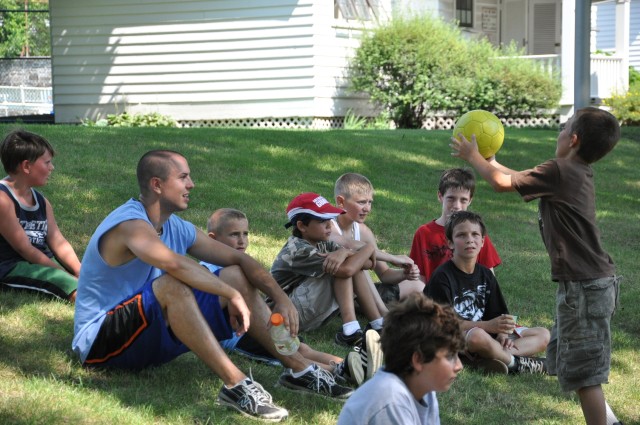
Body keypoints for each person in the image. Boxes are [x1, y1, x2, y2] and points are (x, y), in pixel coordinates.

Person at [72, 151, 353, 423]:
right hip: (101, 342)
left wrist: (280, 298)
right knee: (173, 284)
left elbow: (238, 258)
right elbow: (176, 266)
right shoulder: (130, 224)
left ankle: (299, 370)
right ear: (157, 185)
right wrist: (229, 294)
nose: (191, 184)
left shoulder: (176, 226)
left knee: (235, 274)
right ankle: (236, 385)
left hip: (146, 335)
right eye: (183, 177)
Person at [450, 107, 622, 425]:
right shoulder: (571, 171)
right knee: (574, 362)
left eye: (563, 127)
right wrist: (487, 159)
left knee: (584, 373)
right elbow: (512, 178)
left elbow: (502, 184)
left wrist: (473, 157)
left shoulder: (560, 171)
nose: (558, 132)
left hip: (585, 287)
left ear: (572, 139)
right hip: (586, 285)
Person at [202, 207, 365, 383]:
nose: (242, 241)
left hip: (261, 324)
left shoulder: (242, 264)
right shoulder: (210, 271)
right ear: (213, 239)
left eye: (245, 234)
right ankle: (339, 371)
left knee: (302, 347)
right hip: (239, 338)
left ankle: (351, 364)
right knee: (290, 355)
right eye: (234, 235)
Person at [425, 211, 549, 375]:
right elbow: (446, 325)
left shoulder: (485, 274)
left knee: (543, 334)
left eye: (475, 234)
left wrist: (502, 334)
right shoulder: (442, 276)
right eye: (462, 235)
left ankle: (490, 356)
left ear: (482, 241)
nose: (470, 239)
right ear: (450, 243)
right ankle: (515, 363)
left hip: (486, 337)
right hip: (451, 336)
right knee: (477, 336)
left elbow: (501, 315)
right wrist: (488, 326)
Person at [270, 192, 384, 347]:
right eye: (322, 220)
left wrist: (346, 252)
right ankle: (350, 331)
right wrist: (367, 248)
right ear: (302, 226)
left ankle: (378, 325)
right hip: (284, 317)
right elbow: (348, 270)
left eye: (330, 219)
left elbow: (367, 264)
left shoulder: (325, 244)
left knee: (348, 263)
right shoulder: (297, 249)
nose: (330, 225)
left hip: (302, 311)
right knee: (341, 267)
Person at [338, 292, 464, 425]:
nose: (459, 366)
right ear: (418, 360)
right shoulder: (390, 401)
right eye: (450, 356)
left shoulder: (426, 391)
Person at [0, 130, 80, 302]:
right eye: (47, 163)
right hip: (11, 266)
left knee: (87, 276)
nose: (52, 168)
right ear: (27, 166)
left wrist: (80, 271)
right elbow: (25, 249)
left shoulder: (42, 202)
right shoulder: (3, 199)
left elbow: (58, 242)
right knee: (67, 283)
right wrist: (64, 274)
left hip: (40, 262)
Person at [331, 173, 424, 310]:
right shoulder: (328, 225)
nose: (367, 208)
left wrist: (404, 274)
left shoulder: (364, 232)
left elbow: (385, 274)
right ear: (341, 202)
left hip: (359, 295)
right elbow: (349, 243)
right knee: (359, 263)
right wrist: (392, 257)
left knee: (418, 285)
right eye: (361, 202)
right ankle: (382, 314)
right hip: (333, 297)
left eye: (370, 202)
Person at [409, 168, 501, 283]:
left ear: (470, 200)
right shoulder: (424, 233)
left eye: (463, 200)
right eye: (451, 198)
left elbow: (489, 277)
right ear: (440, 196)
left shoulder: (476, 234)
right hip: (433, 298)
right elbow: (418, 278)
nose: (457, 206)